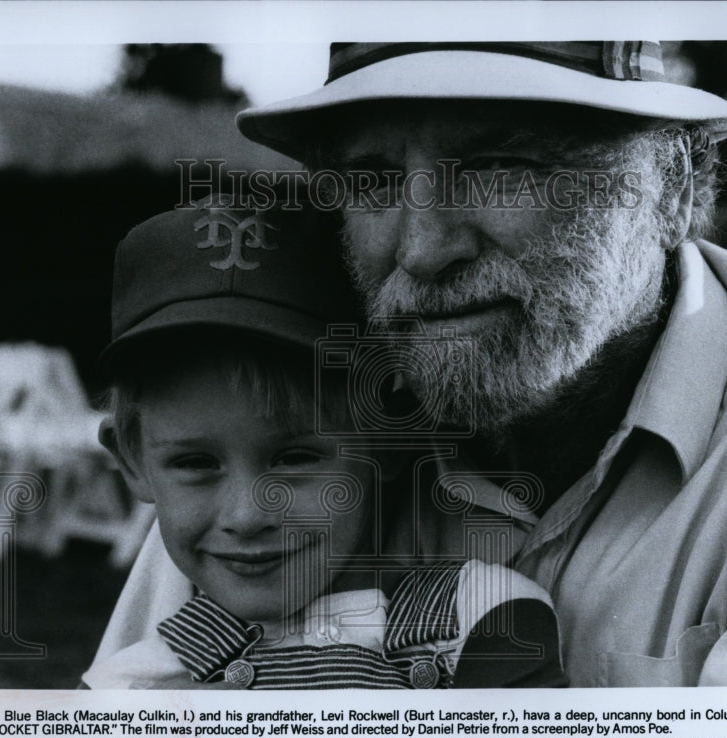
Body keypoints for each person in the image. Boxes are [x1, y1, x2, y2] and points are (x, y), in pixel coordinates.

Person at [101, 41, 727, 686]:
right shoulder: (305, 404)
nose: (424, 250)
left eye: (500, 168)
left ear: (670, 187)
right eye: (372, 181)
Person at [82, 199, 565, 689]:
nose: (247, 516)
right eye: (195, 463)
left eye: (294, 458)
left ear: (391, 439)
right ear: (131, 460)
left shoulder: (482, 624)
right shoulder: (127, 686)